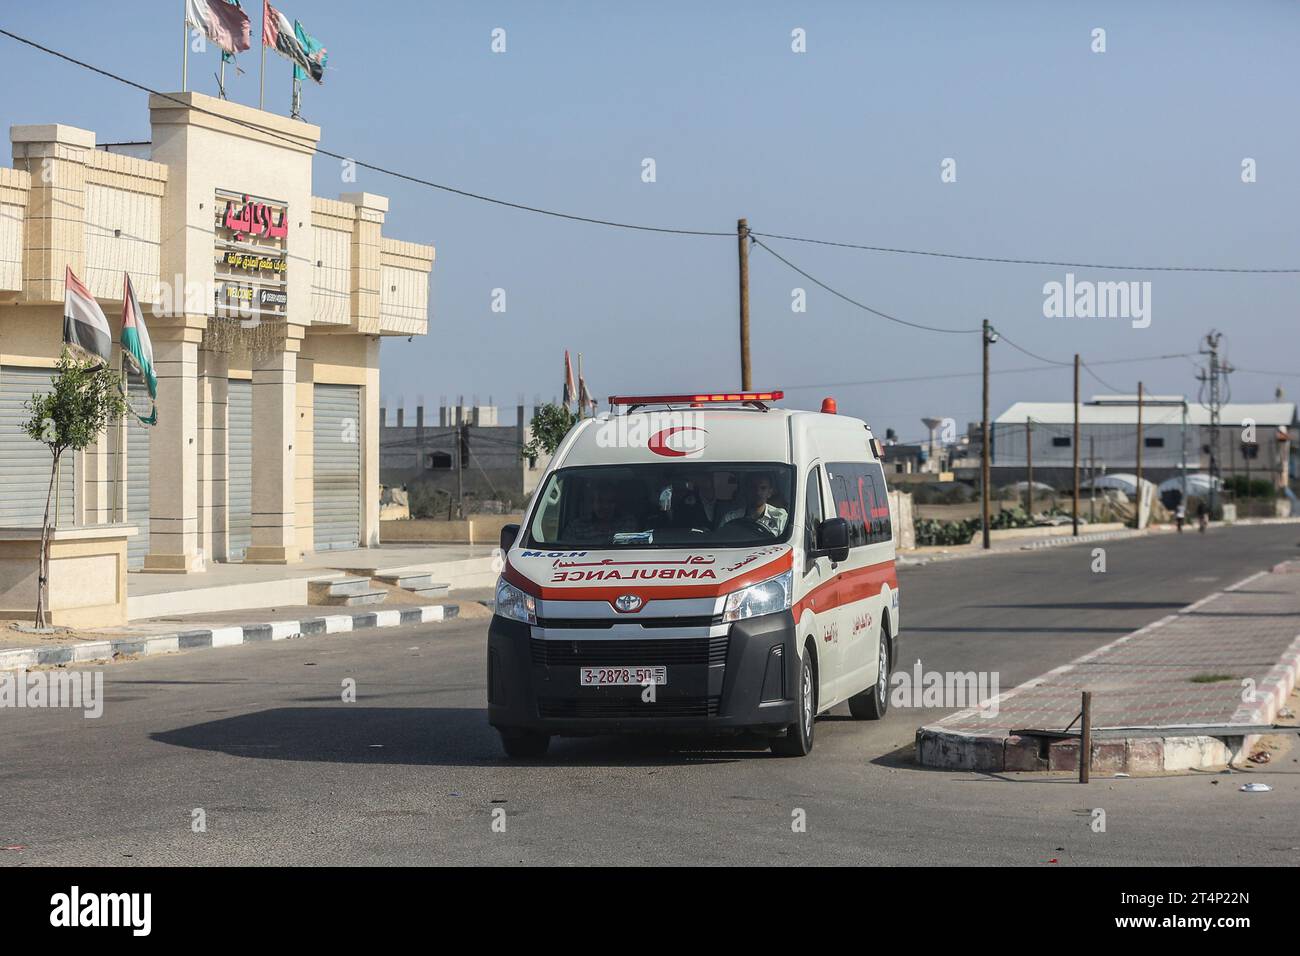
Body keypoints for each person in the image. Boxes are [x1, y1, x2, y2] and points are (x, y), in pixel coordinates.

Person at [562, 481, 637, 542]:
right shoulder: (576, 528)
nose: (605, 506)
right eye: (600, 501)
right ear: (592, 503)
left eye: (610, 501)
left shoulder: (627, 524)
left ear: (616, 504)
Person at [722, 472, 788, 536]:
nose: (757, 492)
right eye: (753, 487)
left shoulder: (780, 518)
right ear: (746, 490)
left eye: (763, 488)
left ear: (770, 493)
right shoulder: (731, 518)